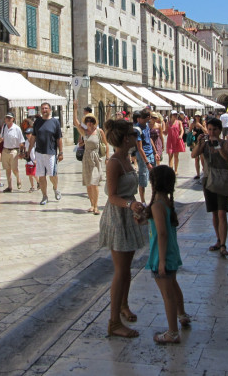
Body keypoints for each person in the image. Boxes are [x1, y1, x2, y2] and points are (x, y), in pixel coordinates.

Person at [99, 119, 146, 338]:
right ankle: (114, 322)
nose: (137, 138)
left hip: (129, 214)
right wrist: (130, 204)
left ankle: (123, 305)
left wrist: (136, 207)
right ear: (126, 138)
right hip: (117, 216)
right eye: (134, 135)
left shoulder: (127, 158)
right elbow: (112, 196)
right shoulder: (114, 162)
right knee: (120, 271)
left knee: (127, 268)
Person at [145, 165, 190, 344]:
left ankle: (172, 332)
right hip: (171, 252)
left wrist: (161, 261)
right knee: (173, 285)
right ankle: (182, 314)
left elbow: (162, 233)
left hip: (161, 255)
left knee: (167, 294)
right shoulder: (166, 202)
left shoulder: (157, 205)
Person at [192, 117, 228, 256]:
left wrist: (216, 145)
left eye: (214, 129)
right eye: (209, 129)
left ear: (220, 130)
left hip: (222, 180)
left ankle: (223, 244)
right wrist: (199, 143)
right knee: (214, 212)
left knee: (222, 212)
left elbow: (226, 157)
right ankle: (218, 240)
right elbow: (193, 155)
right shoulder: (205, 144)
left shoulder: (225, 143)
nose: (211, 132)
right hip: (208, 180)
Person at [28, 102, 63, 205]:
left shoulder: (55, 122)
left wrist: (61, 152)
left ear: (50, 110)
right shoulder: (37, 122)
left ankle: (55, 188)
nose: (44, 110)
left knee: (52, 175)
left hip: (51, 152)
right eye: (42, 108)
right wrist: (29, 150)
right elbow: (33, 137)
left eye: (46, 108)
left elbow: (59, 138)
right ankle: (44, 196)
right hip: (39, 152)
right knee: (42, 176)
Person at [78, 115, 107, 214]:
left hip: (96, 158)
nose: (89, 123)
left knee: (94, 183)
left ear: (94, 122)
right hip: (86, 158)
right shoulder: (84, 132)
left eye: (91, 121)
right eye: (87, 121)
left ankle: (96, 206)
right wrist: (75, 109)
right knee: (89, 183)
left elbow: (106, 144)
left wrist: (107, 158)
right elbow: (76, 123)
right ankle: (92, 204)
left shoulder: (99, 131)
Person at [0, 113, 25, 192]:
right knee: (7, 169)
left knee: (14, 169)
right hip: (5, 150)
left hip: (14, 150)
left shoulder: (17, 128)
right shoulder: (4, 127)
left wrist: (21, 152)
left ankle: (18, 178)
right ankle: (9, 186)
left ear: (13, 119)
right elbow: (1, 138)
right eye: (7, 118)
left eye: (10, 118)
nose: (8, 119)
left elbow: (21, 141)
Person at [134, 110, 155, 204]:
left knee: (153, 178)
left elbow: (149, 139)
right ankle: (143, 201)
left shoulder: (146, 125)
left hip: (150, 154)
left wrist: (155, 152)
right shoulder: (137, 129)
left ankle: (154, 199)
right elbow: (140, 148)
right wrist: (147, 162)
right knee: (143, 179)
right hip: (143, 156)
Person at [165, 111, 185, 175]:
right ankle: (171, 170)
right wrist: (160, 131)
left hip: (177, 140)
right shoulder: (168, 123)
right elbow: (166, 132)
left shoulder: (179, 122)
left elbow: (182, 130)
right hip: (170, 141)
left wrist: (181, 135)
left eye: (176, 115)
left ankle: (176, 170)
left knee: (176, 156)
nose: (175, 116)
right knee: (170, 156)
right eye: (174, 114)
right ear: (171, 115)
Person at [190, 113, 207, 179]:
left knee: (202, 159)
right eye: (196, 116)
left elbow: (206, 132)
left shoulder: (203, 123)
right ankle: (198, 174)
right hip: (195, 143)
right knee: (196, 159)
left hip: (202, 142)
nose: (197, 117)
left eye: (198, 116)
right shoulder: (192, 124)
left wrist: (201, 126)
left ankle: (205, 173)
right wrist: (192, 133)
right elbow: (189, 132)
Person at [23, 127, 37, 192]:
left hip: (34, 160)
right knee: (29, 174)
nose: (27, 135)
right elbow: (25, 150)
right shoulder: (26, 142)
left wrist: (36, 160)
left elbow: (37, 151)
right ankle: (32, 186)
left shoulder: (35, 142)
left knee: (33, 174)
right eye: (26, 134)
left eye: (29, 134)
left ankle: (38, 182)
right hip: (28, 160)